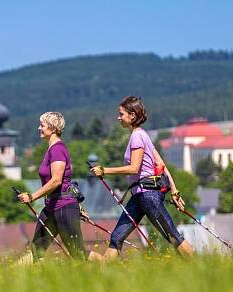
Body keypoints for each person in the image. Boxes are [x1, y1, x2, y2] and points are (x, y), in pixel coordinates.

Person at [90, 96, 194, 260]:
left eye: (121, 114)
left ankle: (203, 267)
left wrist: (105, 170)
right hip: (139, 196)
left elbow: (134, 168)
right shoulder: (142, 135)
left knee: (173, 236)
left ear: (132, 116)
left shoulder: (137, 137)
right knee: (116, 238)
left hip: (148, 196)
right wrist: (174, 190)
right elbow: (161, 163)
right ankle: (102, 273)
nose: (118, 118)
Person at [18, 112, 102, 262]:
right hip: (51, 206)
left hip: (64, 207)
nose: (39, 128)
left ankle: (105, 265)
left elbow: (57, 180)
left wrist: (32, 197)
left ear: (53, 128)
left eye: (42, 125)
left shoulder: (58, 149)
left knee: (77, 253)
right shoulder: (51, 150)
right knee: (37, 250)